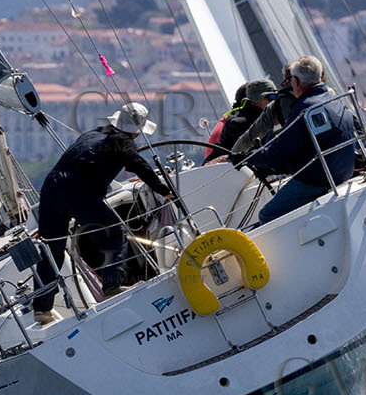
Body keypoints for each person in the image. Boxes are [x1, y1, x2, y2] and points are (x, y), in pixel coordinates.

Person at [32, 102, 176, 323]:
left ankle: (42, 309)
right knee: (114, 233)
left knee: (52, 250)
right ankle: (111, 286)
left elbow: (89, 161)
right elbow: (139, 164)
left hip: (51, 189)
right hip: (78, 193)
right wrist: (164, 190)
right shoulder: (123, 141)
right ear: (137, 131)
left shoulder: (93, 134)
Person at [243, 56, 357, 224]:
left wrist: (246, 157)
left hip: (317, 180)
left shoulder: (304, 108)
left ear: (295, 82)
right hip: (343, 172)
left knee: (267, 215)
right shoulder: (334, 100)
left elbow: (276, 154)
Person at [206, 78, 277, 158]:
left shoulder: (230, 120)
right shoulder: (239, 124)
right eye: (272, 97)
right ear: (255, 101)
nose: (275, 101)